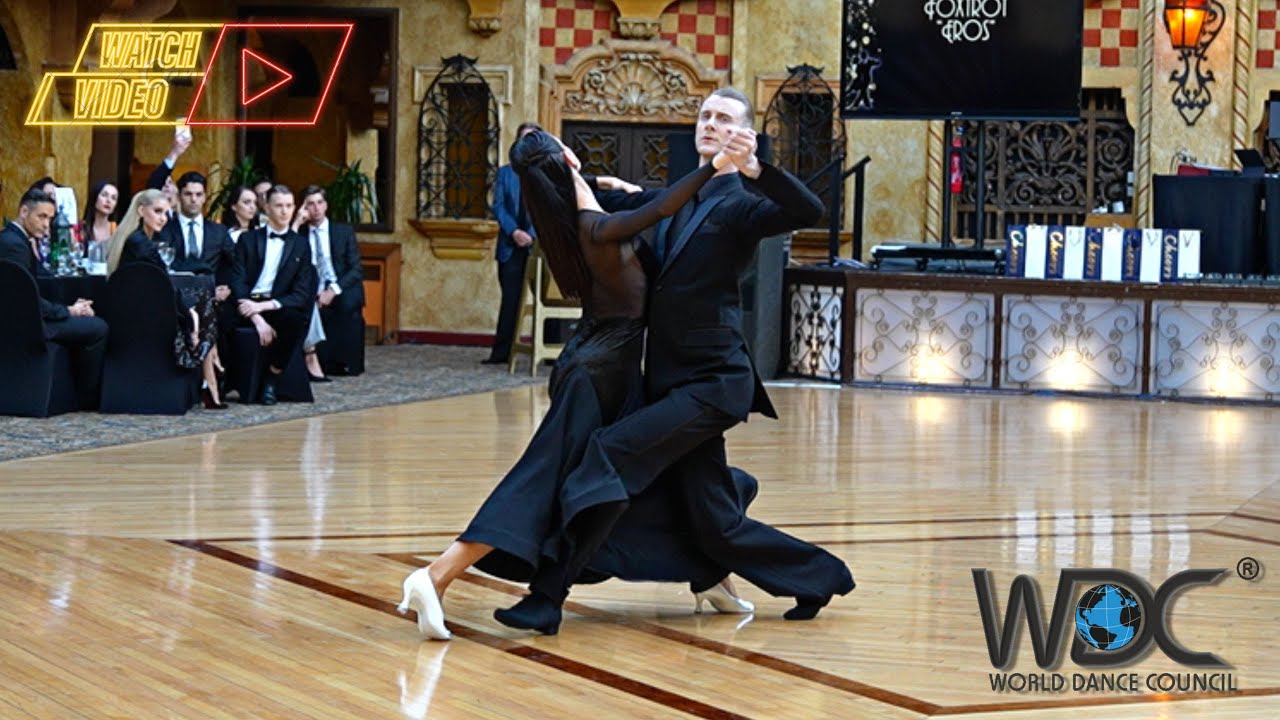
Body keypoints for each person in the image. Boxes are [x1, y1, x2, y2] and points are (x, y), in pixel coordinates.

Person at [495, 89, 855, 635]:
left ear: (746, 132)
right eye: (706, 116)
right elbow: (601, 212)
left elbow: (807, 210)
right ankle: (817, 576)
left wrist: (757, 166)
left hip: (712, 384)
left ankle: (548, 596)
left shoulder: (742, 203)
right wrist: (570, 170)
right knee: (714, 524)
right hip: (669, 385)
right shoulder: (673, 198)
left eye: (726, 118)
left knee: (608, 454)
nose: (712, 124)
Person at [397, 131, 750, 640]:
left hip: (604, 367)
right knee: (542, 480)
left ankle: (711, 572)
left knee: (652, 476)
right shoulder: (594, 225)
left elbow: (648, 204)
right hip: (597, 376)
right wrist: (713, 167)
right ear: (567, 157)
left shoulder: (580, 212)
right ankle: (435, 575)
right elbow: (667, 205)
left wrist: (619, 184)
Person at [105, 189, 224, 408]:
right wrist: (190, 317)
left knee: (202, 304)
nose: (163, 218)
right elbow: (162, 285)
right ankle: (209, 380)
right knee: (204, 307)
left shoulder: (136, 239)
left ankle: (209, 377)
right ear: (141, 211)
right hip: (142, 316)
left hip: (136, 310)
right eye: (158, 211)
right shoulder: (139, 243)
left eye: (166, 213)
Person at [0, 189, 108, 408]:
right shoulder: (14, 246)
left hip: (22, 319)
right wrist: (69, 311)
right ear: (23, 212)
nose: (46, 224)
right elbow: (24, 300)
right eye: (41, 217)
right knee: (98, 328)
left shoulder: (15, 239)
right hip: (24, 327)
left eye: (49, 218)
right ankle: (86, 400)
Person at [228, 184, 317, 405]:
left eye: (289, 206)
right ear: (266, 207)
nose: (284, 211)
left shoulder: (301, 245)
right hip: (247, 303)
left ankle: (272, 377)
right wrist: (256, 317)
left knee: (295, 320)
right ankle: (226, 381)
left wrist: (264, 308)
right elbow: (237, 281)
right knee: (220, 319)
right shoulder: (248, 240)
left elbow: (301, 294)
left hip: (276, 305)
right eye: (278, 206)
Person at [482, 121, 542, 365]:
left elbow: (546, 210)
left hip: (538, 247)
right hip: (509, 247)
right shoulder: (505, 173)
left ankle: (548, 355)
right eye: (523, 138)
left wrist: (529, 233)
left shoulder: (545, 172)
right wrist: (515, 231)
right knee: (510, 300)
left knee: (545, 299)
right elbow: (498, 206)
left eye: (532, 139)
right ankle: (501, 353)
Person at [295, 185, 365, 378]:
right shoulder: (299, 234)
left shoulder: (343, 231)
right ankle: (317, 362)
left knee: (347, 302)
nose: (316, 208)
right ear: (303, 208)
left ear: (326, 205)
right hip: (310, 288)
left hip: (339, 285)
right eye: (310, 204)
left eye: (319, 203)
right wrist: (296, 223)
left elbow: (356, 268)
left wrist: (332, 290)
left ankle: (345, 363)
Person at [79, 180, 119, 245]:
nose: (108, 200)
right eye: (104, 195)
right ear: (94, 197)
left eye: (113, 198)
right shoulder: (79, 229)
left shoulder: (116, 230)